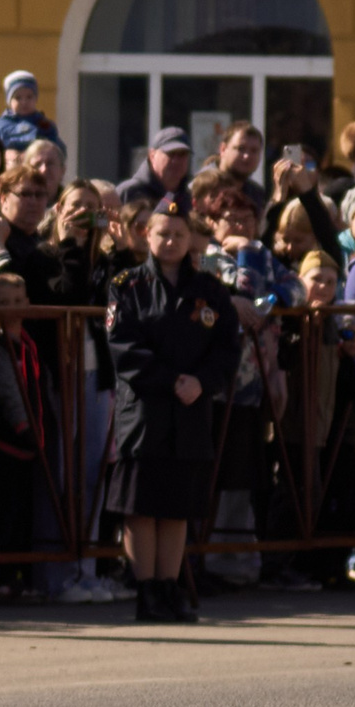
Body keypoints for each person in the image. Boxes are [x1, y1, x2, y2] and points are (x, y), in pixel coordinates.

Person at [102, 202, 241, 624]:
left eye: (179, 235)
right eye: (163, 234)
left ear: (191, 240)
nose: (170, 242)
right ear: (147, 235)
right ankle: (146, 591)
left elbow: (227, 347)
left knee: (177, 506)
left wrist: (201, 381)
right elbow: (122, 345)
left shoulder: (210, 291)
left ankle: (169, 588)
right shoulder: (127, 285)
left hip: (190, 410)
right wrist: (169, 380)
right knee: (142, 506)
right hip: (145, 409)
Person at [116, 127, 193, 219]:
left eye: (182, 154)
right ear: (152, 155)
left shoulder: (189, 198)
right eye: (171, 153)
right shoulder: (129, 192)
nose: (176, 161)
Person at [0, 70, 61, 153]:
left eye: (29, 97)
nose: (24, 102)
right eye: (18, 98)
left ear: (36, 99)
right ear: (9, 101)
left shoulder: (44, 125)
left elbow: (57, 152)